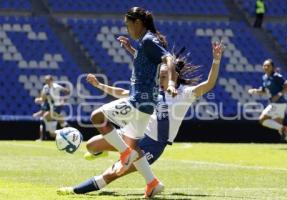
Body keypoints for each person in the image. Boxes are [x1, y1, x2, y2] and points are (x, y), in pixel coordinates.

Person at [57, 41, 224, 196]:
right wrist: (99, 85)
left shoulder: (185, 94)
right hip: (133, 134)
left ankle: (73, 191)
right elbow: (123, 93)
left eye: (163, 77)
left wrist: (216, 61)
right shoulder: (152, 91)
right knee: (91, 145)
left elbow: (209, 84)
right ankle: (105, 154)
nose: (159, 79)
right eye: (159, 76)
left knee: (110, 174)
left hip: (152, 145)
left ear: (174, 77)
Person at [88, 7, 178, 198]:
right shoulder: (144, 43)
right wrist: (131, 49)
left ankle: (124, 154)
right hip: (147, 104)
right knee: (134, 146)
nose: (128, 29)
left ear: (138, 23)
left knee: (97, 116)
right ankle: (152, 183)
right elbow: (148, 61)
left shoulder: (148, 40)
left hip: (139, 100)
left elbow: (168, 58)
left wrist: (170, 82)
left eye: (128, 25)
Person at [248, 59, 287, 149]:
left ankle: (284, 128)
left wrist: (278, 95)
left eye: (268, 65)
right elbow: (264, 90)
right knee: (279, 127)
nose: (266, 67)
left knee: (262, 119)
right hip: (278, 104)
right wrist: (255, 91)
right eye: (264, 65)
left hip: (278, 103)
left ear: (272, 67)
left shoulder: (276, 76)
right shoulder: (265, 77)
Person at [33, 75, 70, 140]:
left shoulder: (56, 86)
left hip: (57, 106)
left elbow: (67, 91)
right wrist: (39, 100)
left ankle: (43, 137)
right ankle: (67, 131)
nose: (46, 82)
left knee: (45, 116)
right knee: (58, 124)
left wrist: (63, 100)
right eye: (46, 80)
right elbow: (43, 98)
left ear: (51, 80)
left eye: (48, 80)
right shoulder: (45, 88)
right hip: (51, 107)